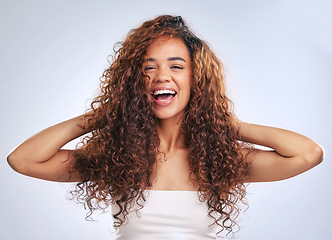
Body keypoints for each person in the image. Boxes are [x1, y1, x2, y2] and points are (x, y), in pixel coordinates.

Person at [7, 15, 324, 239]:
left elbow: (307, 154)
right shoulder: (117, 156)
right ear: (135, 82)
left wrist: (228, 125)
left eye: (176, 66)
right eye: (149, 67)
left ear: (195, 78)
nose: (162, 76)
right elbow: (23, 160)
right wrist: (103, 115)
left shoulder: (221, 160)